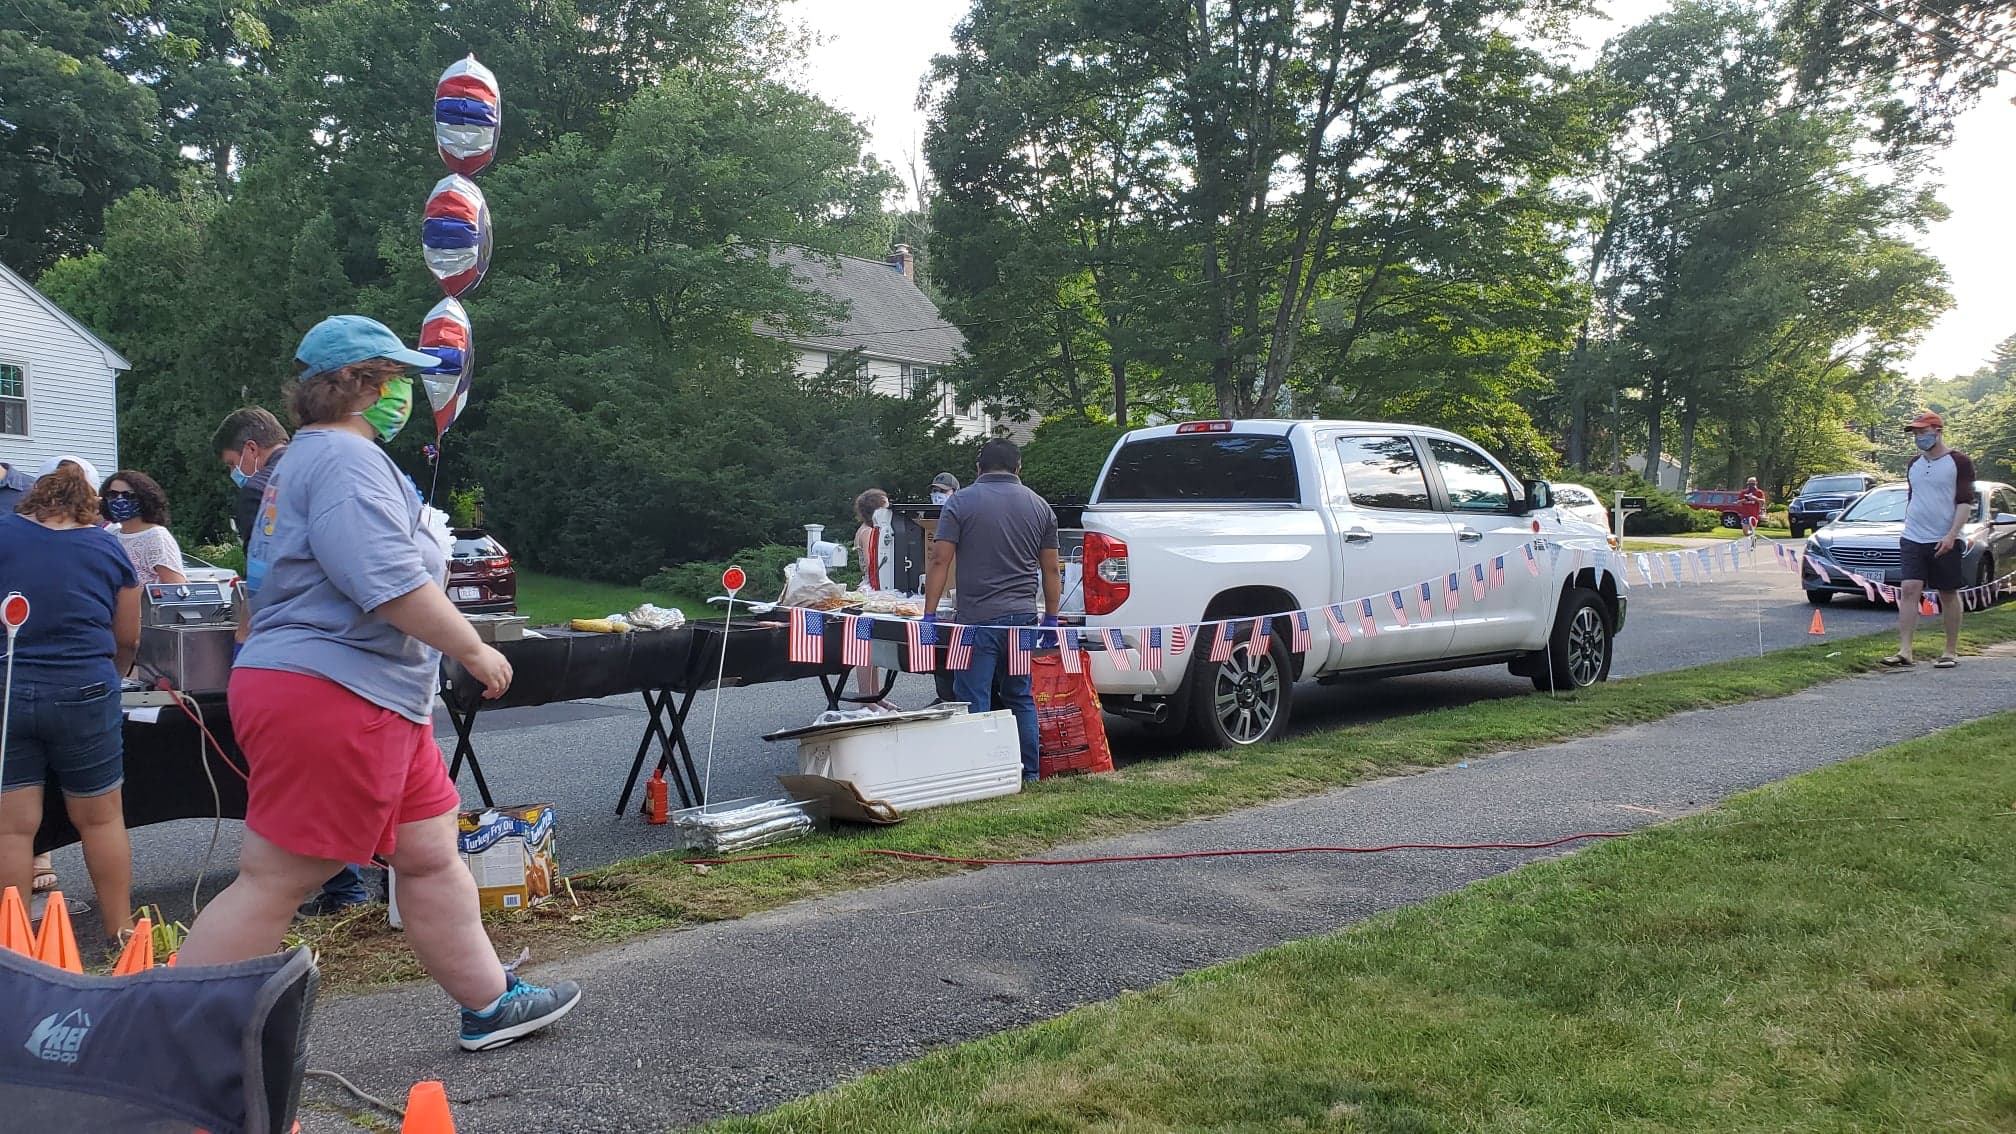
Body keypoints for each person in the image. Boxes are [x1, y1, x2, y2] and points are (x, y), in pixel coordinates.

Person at [177, 315, 580, 1051]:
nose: (406, 394)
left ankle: (490, 1003)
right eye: (396, 379)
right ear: (362, 384)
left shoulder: (311, 458)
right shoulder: (344, 463)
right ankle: (159, 1039)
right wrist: (474, 650)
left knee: (428, 855)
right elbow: (387, 583)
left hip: (368, 694)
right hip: (337, 691)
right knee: (277, 877)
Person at [213, 406, 371, 917]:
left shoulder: (262, 489)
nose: (236, 471)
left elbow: (265, 584)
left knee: (293, 798)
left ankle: (343, 888)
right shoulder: (337, 468)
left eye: (234, 461)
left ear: (253, 451)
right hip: (355, 654)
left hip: (289, 657)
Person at [0, 464, 140, 945]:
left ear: (34, 498)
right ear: (89, 506)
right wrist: (115, 673)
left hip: (9, 689)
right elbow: (128, 637)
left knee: (13, 830)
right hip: (85, 688)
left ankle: (13, 949)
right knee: (100, 819)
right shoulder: (106, 546)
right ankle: (121, 935)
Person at [922, 439, 1061, 781]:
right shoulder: (1040, 506)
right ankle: (1029, 772)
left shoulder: (961, 503)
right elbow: (1052, 570)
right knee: (1019, 695)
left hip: (976, 620)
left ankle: (979, 776)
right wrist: (1052, 617)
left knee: (973, 697)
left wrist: (928, 614)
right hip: (1023, 619)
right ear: (1018, 468)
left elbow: (940, 559)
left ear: (978, 468)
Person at [1884, 411, 1976, 670]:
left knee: (1947, 592)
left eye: (1923, 432)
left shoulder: (1958, 462)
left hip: (1944, 537)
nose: (1919, 437)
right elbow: (1916, 498)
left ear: (1938, 431)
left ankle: (1950, 650)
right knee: (1910, 589)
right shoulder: (1914, 463)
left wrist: (1951, 535)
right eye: (1915, 433)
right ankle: (1905, 650)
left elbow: (1965, 502)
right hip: (1913, 536)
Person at [101, 470, 188, 586]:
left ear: (144, 499)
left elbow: (176, 589)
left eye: (128, 495)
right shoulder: (112, 535)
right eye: (112, 495)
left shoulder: (157, 538)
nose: (119, 500)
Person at [852, 488, 897, 709]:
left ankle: (875, 696)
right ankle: (866, 699)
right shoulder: (870, 532)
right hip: (871, 590)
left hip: (870, 588)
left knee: (874, 647)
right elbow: (875, 564)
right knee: (866, 648)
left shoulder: (867, 529)